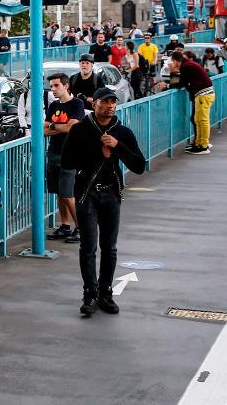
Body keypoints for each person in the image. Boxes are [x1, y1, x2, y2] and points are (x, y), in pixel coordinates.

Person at [60, 87, 145, 317]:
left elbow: (139, 165)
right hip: (87, 194)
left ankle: (105, 293)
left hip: (111, 195)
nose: (110, 106)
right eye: (105, 102)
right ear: (94, 103)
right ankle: (90, 292)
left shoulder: (122, 132)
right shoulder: (80, 130)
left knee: (109, 247)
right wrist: (98, 151)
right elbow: (67, 161)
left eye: (113, 102)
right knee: (88, 246)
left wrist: (117, 147)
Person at [45, 73, 84, 243]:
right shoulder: (53, 105)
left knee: (68, 193)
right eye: (51, 86)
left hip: (70, 154)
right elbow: (45, 129)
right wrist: (59, 126)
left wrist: (55, 126)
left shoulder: (77, 104)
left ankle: (82, 228)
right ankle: (65, 226)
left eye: (56, 86)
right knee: (59, 193)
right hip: (53, 152)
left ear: (66, 86)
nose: (53, 89)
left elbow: (72, 128)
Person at [164, 51, 215, 155]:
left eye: (172, 62)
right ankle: (198, 143)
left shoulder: (185, 66)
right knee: (198, 119)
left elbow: (181, 83)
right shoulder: (188, 64)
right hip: (203, 94)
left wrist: (167, 86)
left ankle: (203, 146)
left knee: (202, 120)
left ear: (175, 60)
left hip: (203, 95)